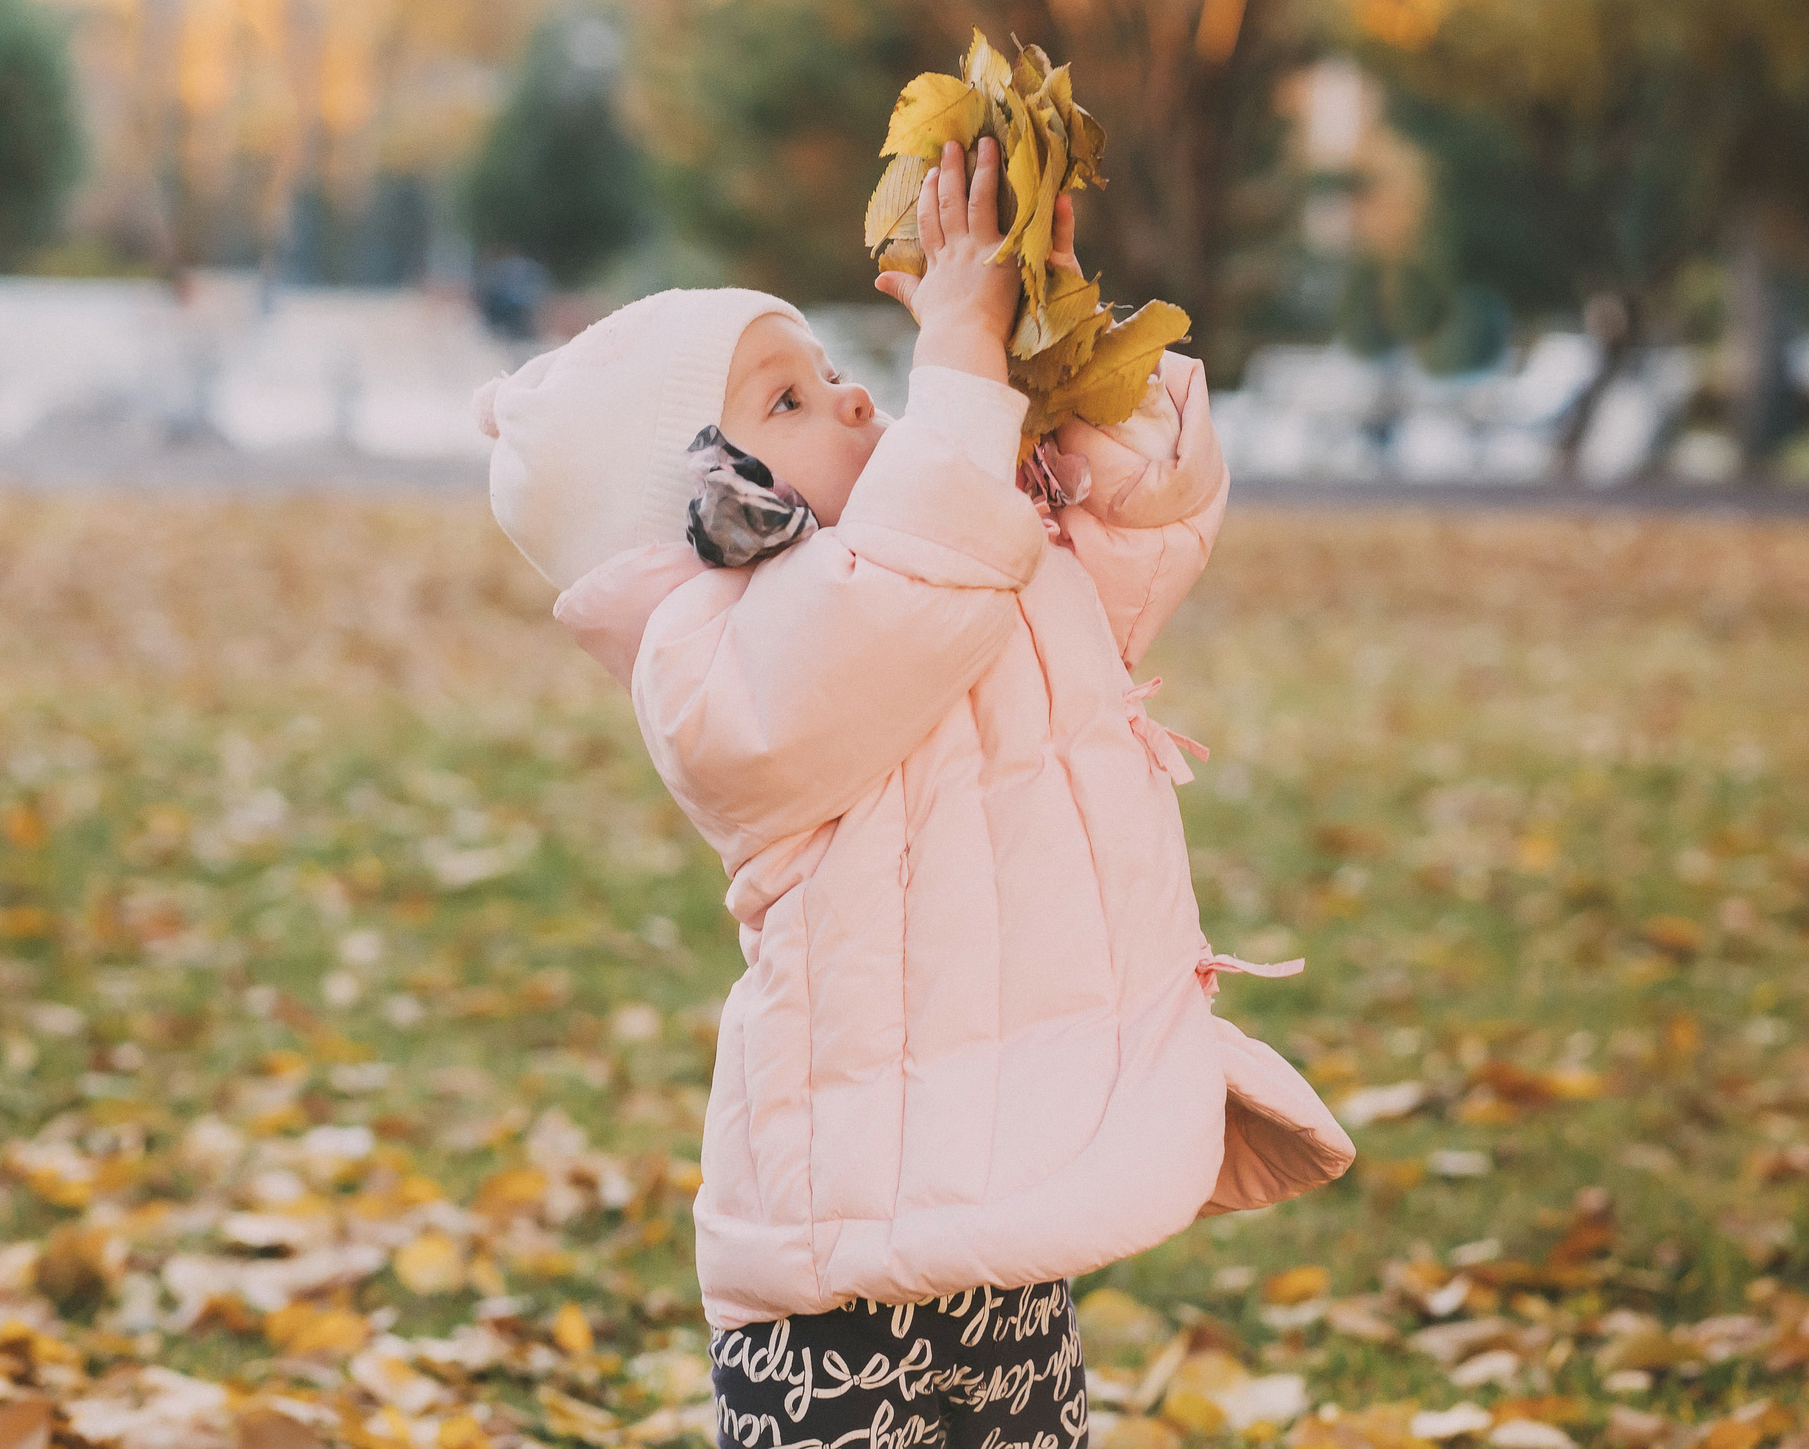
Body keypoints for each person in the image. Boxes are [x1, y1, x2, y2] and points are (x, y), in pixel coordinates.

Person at [472, 138, 1353, 1449]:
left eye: (835, 372)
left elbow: (1133, 540)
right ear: (709, 504)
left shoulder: (957, 555)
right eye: (787, 402)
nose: (857, 403)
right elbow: (893, 604)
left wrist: (1059, 351)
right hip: (831, 1288)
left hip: (1001, 1233)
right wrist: (957, 362)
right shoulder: (720, 666)